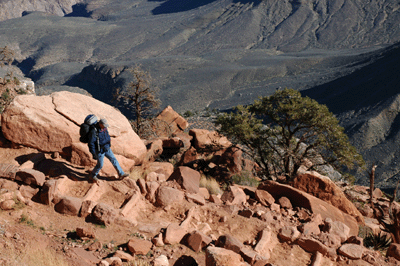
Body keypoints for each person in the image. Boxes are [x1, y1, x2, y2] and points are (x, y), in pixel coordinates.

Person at [88, 117, 129, 185]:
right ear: (100, 124)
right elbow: (91, 143)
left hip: (106, 148)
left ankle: (121, 173)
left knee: (114, 159)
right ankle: (92, 175)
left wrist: (109, 144)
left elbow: (107, 136)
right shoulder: (94, 131)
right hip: (99, 150)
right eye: (104, 125)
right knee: (100, 165)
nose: (105, 127)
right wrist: (93, 153)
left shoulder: (104, 128)